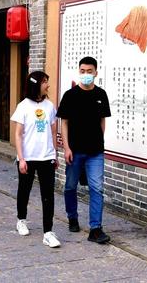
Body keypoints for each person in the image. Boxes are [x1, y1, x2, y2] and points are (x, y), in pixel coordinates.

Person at [57, 56, 112, 244]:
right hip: (75, 150)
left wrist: (99, 140)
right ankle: (72, 216)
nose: (86, 74)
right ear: (78, 72)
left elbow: (102, 121)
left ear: (96, 73)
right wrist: (66, 147)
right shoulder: (70, 95)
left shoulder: (101, 95)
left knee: (97, 188)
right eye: (83, 71)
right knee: (70, 186)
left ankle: (95, 228)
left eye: (90, 71)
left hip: (96, 151)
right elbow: (64, 123)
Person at [11, 71, 61, 248]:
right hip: (28, 157)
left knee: (48, 195)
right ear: (35, 85)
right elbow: (18, 135)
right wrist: (21, 158)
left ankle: (48, 232)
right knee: (24, 190)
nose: (48, 85)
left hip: (46, 156)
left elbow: (53, 132)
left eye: (47, 81)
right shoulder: (23, 106)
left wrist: (54, 154)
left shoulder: (49, 106)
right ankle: (21, 220)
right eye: (45, 82)